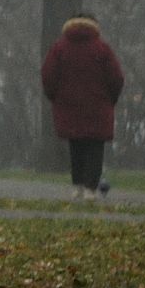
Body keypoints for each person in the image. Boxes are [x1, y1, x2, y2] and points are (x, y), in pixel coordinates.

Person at [39, 14, 123, 194]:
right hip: (98, 106)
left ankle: (77, 185)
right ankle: (90, 188)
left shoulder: (59, 48)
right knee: (95, 146)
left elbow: (48, 75)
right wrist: (111, 99)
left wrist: (54, 97)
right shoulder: (102, 49)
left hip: (68, 105)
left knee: (75, 144)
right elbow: (116, 77)